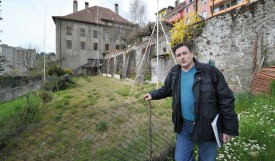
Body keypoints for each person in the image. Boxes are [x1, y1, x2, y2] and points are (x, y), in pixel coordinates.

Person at [144, 42, 239, 161]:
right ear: (176, 58)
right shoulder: (174, 73)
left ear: (192, 54)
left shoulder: (209, 71)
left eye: (185, 53)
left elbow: (226, 99)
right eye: (178, 55)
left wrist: (228, 129)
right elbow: (167, 89)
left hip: (207, 126)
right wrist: (152, 94)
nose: (182, 57)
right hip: (184, 126)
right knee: (181, 159)